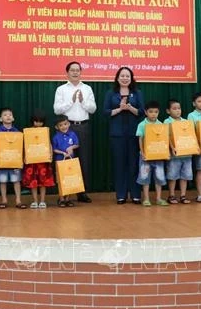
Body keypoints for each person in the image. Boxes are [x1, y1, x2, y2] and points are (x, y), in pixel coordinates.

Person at [53, 61, 96, 203]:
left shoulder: (87, 88)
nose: (75, 72)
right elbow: (57, 110)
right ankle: (66, 194)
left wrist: (83, 101)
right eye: (72, 70)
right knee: (67, 161)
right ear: (67, 72)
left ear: (81, 72)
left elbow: (93, 109)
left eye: (78, 70)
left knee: (84, 160)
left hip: (83, 127)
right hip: (66, 128)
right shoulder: (61, 89)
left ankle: (82, 192)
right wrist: (71, 102)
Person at [102, 67, 144, 204]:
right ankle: (121, 194)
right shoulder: (111, 93)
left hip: (134, 134)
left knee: (134, 164)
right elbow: (106, 112)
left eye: (127, 76)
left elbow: (142, 112)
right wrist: (120, 108)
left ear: (131, 78)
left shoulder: (137, 93)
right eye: (122, 76)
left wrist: (130, 108)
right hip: (117, 134)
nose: (125, 78)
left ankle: (136, 194)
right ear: (117, 78)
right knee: (119, 165)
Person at [136, 101, 168, 207]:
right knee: (145, 178)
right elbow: (140, 139)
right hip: (146, 157)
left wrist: (165, 153)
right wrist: (143, 152)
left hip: (158, 156)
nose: (153, 114)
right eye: (150, 112)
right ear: (145, 112)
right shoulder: (142, 124)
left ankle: (158, 198)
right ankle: (146, 199)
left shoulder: (161, 125)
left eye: (156, 112)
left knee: (159, 177)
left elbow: (164, 140)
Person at [22, 110, 55, 209]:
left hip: (43, 162)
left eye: (40, 121)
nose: (38, 123)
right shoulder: (28, 131)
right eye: (36, 121)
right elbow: (25, 145)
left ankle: (42, 201)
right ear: (32, 121)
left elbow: (48, 144)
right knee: (33, 183)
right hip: (32, 162)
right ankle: (35, 201)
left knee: (43, 182)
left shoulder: (45, 131)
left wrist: (51, 155)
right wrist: (24, 156)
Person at [0, 107, 26, 209]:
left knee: (16, 181)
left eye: (10, 115)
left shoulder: (17, 131)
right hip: (2, 160)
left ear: (13, 118)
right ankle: (4, 200)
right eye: (5, 115)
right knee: (2, 181)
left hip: (14, 161)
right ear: (0, 119)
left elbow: (20, 147)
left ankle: (18, 200)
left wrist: (21, 159)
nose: (8, 116)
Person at [164, 99, 192, 205]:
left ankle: (183, 195)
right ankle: (171, 195)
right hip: (174, 154)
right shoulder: (167, 122)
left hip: (187, 154)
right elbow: (167, 137)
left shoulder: (186, 122)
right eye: (174, 109)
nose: (177, 111)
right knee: (173, 175)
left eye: (179, 108)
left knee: (185, 175)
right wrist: (172, 148)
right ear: (168, 111)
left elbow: (190, 136)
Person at [52, 115, 79, 208]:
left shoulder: (72, 134)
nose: (64, 126)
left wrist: (71, 147)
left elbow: (76, 144)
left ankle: (68, 199)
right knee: (60, 180)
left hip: (70, 160)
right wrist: (62, 153)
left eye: (65, 124)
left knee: (70, 179)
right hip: (60, 161)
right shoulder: (56, 137)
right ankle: (61, 199)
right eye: (61, 125)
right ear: (57, 127)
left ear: (69, 124)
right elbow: (54, 149)